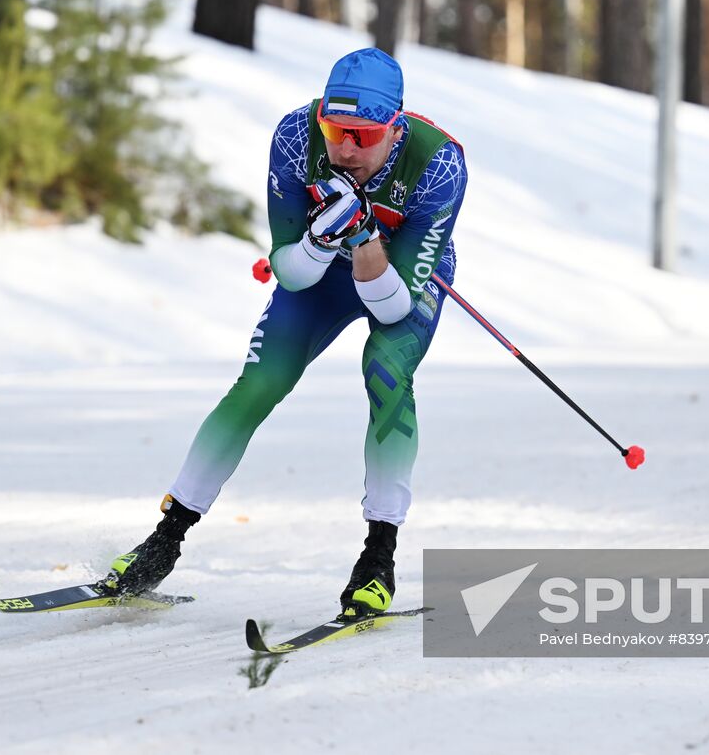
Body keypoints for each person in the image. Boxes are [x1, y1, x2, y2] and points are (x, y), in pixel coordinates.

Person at [98, 48, 469, 618]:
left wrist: (365, 238)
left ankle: (378, 559)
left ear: (396, 130)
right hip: (319, 274)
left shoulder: (438, 164)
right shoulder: (297, 136)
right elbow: (292, 273)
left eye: (363, 136)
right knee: (259, 382)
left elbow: (394, 311)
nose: (344, 148)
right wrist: (322, 240)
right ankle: (163, 540)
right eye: (335, 129)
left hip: (394, 278)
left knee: (387, 371)